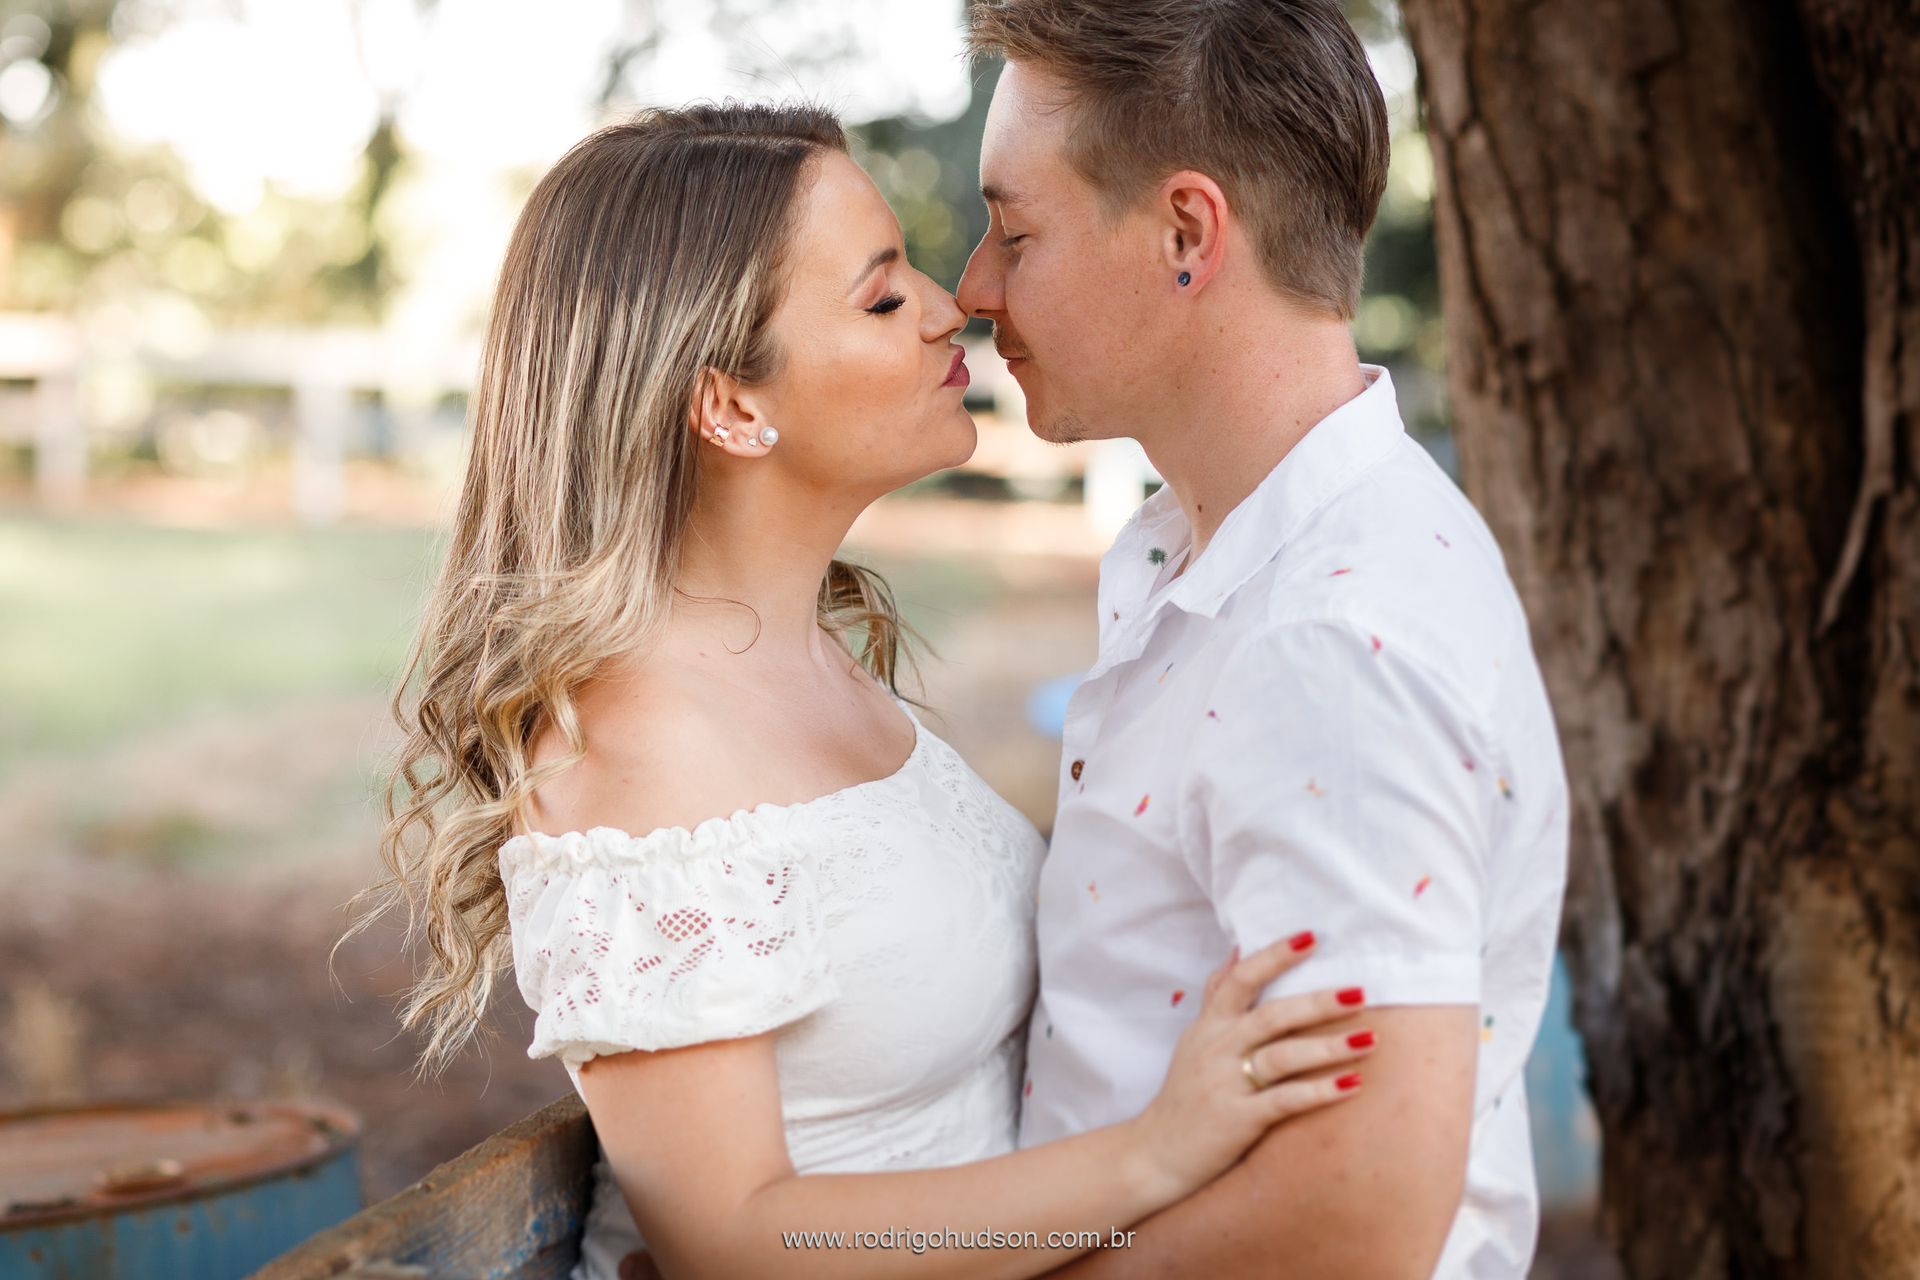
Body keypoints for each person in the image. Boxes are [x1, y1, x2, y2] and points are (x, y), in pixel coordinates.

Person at [353, 103, 1386, 1280]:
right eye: (883, 298)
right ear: (733, 405)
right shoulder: (639, 752)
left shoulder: (809, 663)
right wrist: (1150, 1155)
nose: (953, 306)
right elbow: (735, 1240)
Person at [953, 2, 1573, 1276]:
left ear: (1188, 233)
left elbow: (1358, 1209)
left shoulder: (1330, 635)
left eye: (1016, 231)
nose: (974, 287)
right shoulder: (1244, 560)